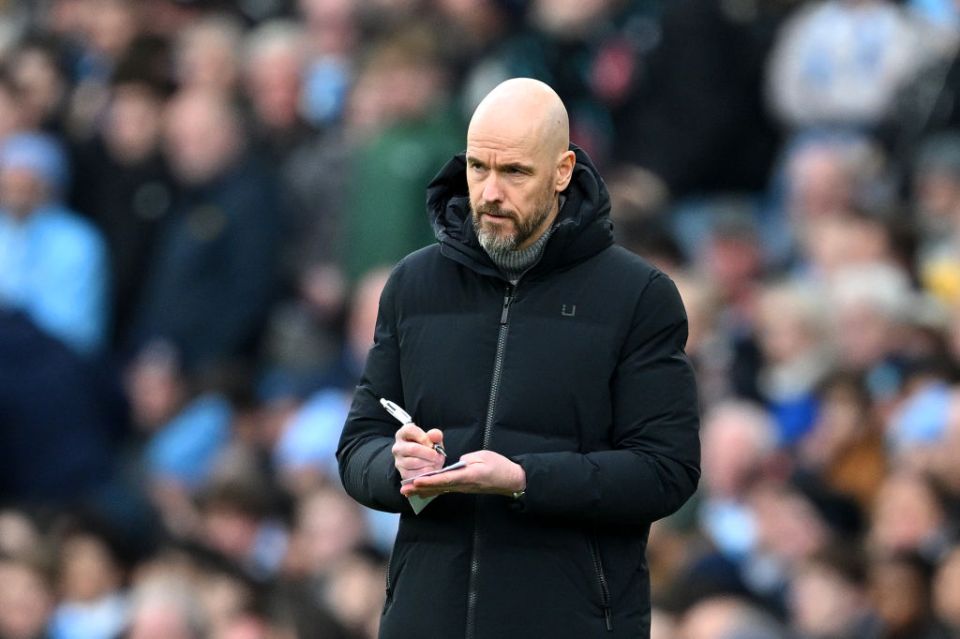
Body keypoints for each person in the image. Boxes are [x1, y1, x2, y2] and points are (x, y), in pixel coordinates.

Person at [337, 78, 700, 639]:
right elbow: (357, 446)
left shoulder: (638, 296)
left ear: (562, 172)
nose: (488, 193)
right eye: (478, 168)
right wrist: (397, 465)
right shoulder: (413, 284)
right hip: (424, 617)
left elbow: (665, 471)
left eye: (514, 173)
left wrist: (524, 479)